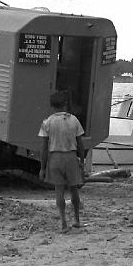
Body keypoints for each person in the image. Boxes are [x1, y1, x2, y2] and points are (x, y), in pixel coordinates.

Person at [38, 91, 86, 233]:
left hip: (55, 158)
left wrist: (43, 167)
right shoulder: (74, 120)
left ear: (51, 106)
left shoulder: (47, 122)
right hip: (71, 157)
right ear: (65, 104)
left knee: (59, 191)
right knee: (74, 190)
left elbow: (44, 147)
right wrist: (82, 161)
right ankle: (77, 220)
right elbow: (80, 144)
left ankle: (63, 222)